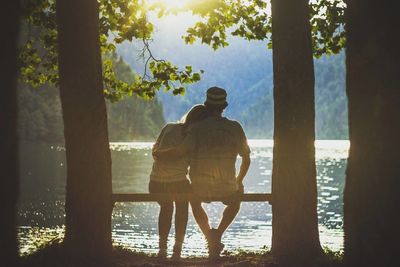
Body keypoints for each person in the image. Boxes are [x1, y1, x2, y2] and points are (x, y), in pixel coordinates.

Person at [154, 86, 251, 259]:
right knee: (236, 201)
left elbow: (182, 151)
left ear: (207, 104)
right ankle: (217, 235)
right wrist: (239, 180)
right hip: (228, 186)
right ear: (224, 107)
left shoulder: (197, 128)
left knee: (194, 202)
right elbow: (247, 159)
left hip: (199, 187)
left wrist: (158, 153)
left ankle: (209, 236)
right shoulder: (235, 127)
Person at [149, 104, 208, 259]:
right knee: (182, 208)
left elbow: (154, 149)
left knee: (166, 208)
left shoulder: (169, 127)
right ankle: (177, 250)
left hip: (154, 183)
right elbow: (178, 154)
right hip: (177, 184)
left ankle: (162, 250)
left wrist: (159, 154)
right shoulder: (193, 137)